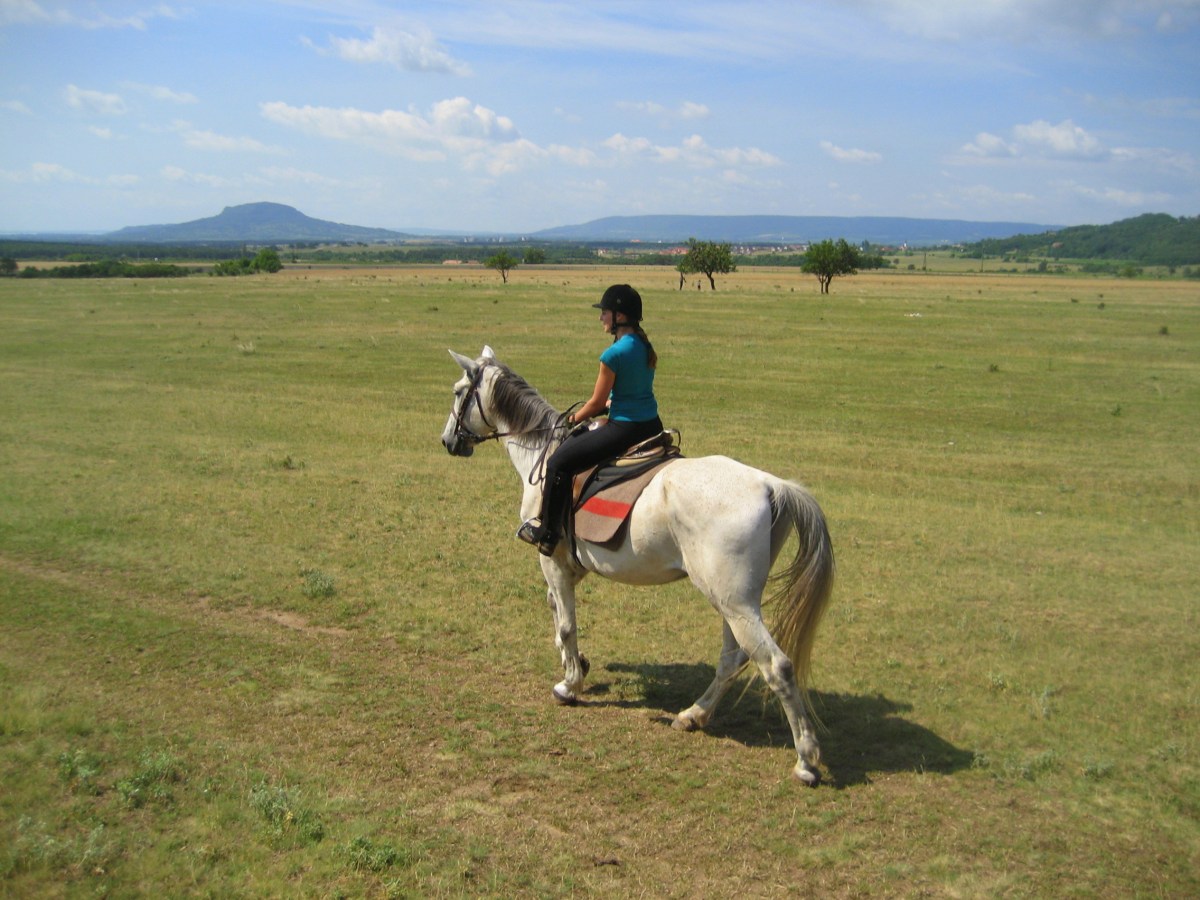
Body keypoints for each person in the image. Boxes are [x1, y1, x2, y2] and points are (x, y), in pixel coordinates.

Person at [518, 284, 664, 555]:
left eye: (605, 312)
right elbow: (634, 390)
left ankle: (548, 534)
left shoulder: (612, 354)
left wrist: (574, 418)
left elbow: (596, 403)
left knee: (558, 462)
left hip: (625, 428)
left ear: (620, 316)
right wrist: (612, 403)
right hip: (651, 424)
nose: (601, 318)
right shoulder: (644, 345)